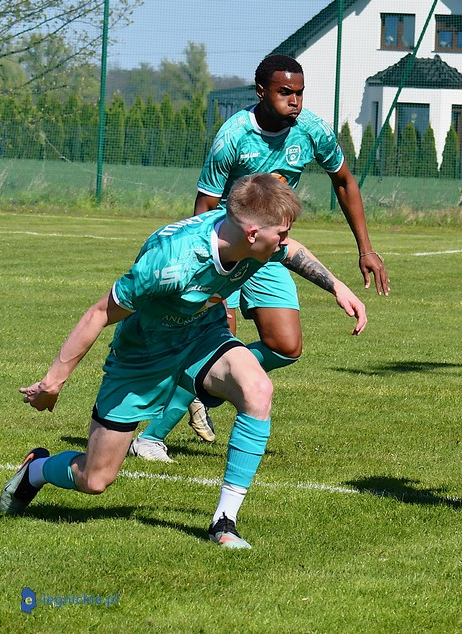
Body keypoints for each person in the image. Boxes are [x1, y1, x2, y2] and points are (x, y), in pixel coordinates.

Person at [1, 174, 367, 549]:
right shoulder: (170, 264)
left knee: (258, 389)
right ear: (253, 234)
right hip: (144, 353)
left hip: (201, 334)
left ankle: (224, 522)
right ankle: (36, 470)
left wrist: (337, 287)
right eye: (281, 233)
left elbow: (291, 251)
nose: (285, 241)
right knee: (94, 480)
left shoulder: (253, 237)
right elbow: (98, 313)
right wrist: (52, 382)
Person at [129, 53, 389, 461]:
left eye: (300, 93)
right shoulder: (233, 136)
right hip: (227, 254)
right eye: (285, 92)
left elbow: (343, 181)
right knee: (218, 344)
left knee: (286, 346)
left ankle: (198, 380)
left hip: (269, 251)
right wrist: (207, 270)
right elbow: (205, 208)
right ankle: (151, 437)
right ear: (261, 92)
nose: (295, 101)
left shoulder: (313, 131)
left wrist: (365, 249)